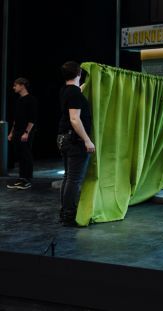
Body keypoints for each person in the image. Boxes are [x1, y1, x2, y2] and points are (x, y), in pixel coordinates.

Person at [58, 62, 95, 227]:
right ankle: (69, 216)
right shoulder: (74, 94)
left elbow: (74, 94)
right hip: (74, 141)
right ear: (79, 73)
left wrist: (81, 88)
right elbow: (74, 119)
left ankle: (65, 213)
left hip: (63, 139)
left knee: (68, 178)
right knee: (73, 180)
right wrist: (87, 140)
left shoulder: (66, 90)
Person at [6, 77, 38, 190]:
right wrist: (11, 132)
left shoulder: (31, 100)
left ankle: (27, 179)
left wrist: (26, 132)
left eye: (15, 85)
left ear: (22, 85)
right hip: (17, 131)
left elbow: (32, 119)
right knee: (19, 155)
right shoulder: (19, 100)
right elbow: (16, 119)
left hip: (26, 131)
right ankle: (21, 178)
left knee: (26, 155)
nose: (14, 87)